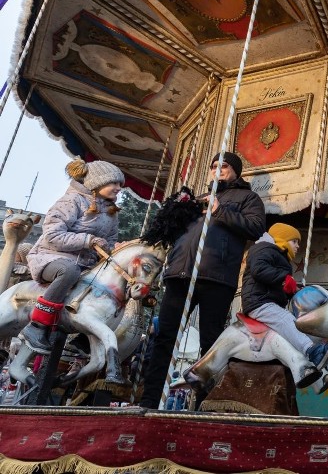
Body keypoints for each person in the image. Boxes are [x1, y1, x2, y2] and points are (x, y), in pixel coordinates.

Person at [138, 152, 266, 409]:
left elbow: (255, 228)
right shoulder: (196, 201)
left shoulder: (247, 198)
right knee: (165, 339)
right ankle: (150, 400)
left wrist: (220, 211)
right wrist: (175, 210)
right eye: (214, 166)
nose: (218, 170)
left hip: (216, 277)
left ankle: (206, 404)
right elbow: (168, 232)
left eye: (225, 166)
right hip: (180, 275)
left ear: (236, 171)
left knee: (211, 343)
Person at [22, 159, 123, 359]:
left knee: (115, 287)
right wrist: (88, 240)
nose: (119, 188)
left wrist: (116, 249)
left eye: (121, 184)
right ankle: (37, 325)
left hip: (86, 264)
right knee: (69, 270)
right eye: (115, 183)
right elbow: (52, 235)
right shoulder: (72, 201)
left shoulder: (111, 212)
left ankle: (84, 340)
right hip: (51, 258)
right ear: (98, 182)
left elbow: (110, 241)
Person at [240, 223, 328, 391]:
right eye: (294, 241)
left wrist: (292, 289)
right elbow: (259, 270)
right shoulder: (263, 249)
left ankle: (322, 373)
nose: (297, 246)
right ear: (282, 239)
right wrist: (283, 279)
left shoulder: (280, 257)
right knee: (288, 321)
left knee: (296, 330)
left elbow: (278, 286)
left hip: (269, 301)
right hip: (258, 302)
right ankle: (314, 352)